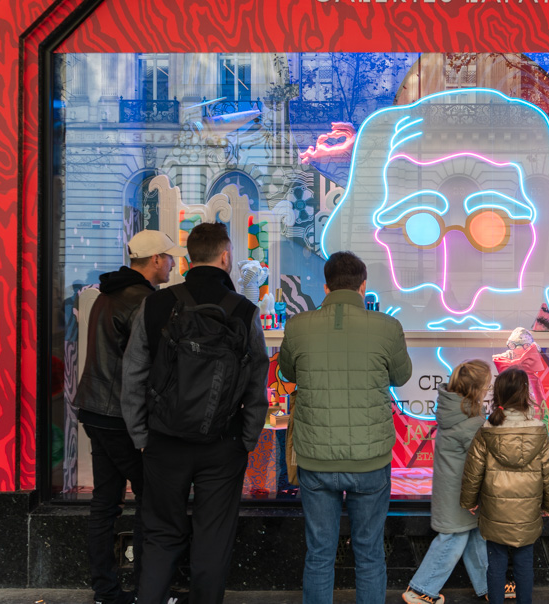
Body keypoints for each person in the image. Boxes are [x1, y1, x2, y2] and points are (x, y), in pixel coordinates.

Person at [121, 222, 269, 604]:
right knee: (213, 538)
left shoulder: (154, 305)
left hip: (164, 440)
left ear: (187, 258)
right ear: (226, 256)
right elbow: (256, 383)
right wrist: (247, 439)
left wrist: (141, 436)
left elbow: (134, 374)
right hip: (223, 443)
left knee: (160, 534)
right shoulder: (244, 310)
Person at [279, 251, 413, 604]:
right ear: (363, 286)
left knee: (319, 554)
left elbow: (288, 374)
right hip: (369, 460)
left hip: (315, 457)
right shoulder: (387, 327)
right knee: (369, 555)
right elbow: (402, 376)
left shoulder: (297, 326)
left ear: (325, 286)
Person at [73, 230, 185, 604]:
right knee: (152, 500)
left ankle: (106, 590)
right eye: (168, 258)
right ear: (155, 260)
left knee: (106, 501)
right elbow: (151, 364)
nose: (172, 263)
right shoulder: (143, 301)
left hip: (95, 408)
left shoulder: (109, 293)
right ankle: (148, 591)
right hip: (121, 414)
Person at [460, 368, 549, 604]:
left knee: (495, 565)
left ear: (498, 395)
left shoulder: (486, 430)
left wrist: (469, 501)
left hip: (495, 511)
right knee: (524, 566)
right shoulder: (538, 429)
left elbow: (472, 471)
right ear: (526, 394)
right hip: (527, 512)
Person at [402, 360, 491, 604]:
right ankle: (420, 590)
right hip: (461, 494)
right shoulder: (471, 422)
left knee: (473, 535)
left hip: (453, 490)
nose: (487, 392)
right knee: (452, 539)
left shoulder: (452, 411)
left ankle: (488, 585)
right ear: (476, 390)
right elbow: (481, 462)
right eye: (486, 387)